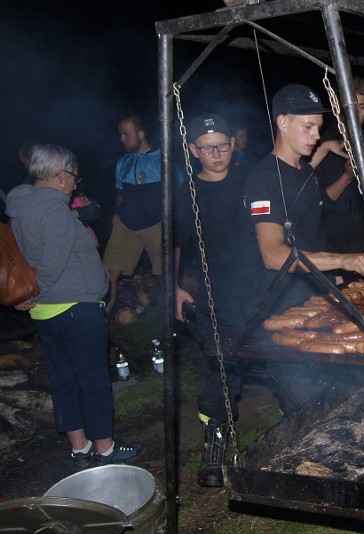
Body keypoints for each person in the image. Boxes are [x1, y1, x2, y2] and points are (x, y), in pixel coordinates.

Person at [5, 144, 143, 468]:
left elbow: (27, 261)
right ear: (58, 174)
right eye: (73, 176)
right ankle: (106, 450)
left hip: (45, 313)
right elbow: (51, 265)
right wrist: (36, 293)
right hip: (73, 308)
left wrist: (29, 297)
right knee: (91, 379)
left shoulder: (20, 208)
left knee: (65, 380)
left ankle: (79, 449)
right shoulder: (53, 208)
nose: (75, 183)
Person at [174, 113, 269, 487]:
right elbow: (175, 246)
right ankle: (215, 444)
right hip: (217, 295)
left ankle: (300, 422)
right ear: (194, 150)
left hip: (262, 287)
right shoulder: (186, 195)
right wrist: (175, 287)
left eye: (223, 145)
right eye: (208, 147)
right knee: (220, 370)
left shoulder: (251, 181)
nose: (217, 154)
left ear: (234, 144)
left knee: (286, 359)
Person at [245, 83, 364, 311]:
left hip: (317, 295)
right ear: (283, 122)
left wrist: (334, 277)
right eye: (308, 127)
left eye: (318, 127)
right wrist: (341, 261)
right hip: (284, 303)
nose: (316, 135)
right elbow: (272, 254)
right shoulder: (263, 178)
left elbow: (314, 229)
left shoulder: (305, 170)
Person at [314, 75, 364, 260]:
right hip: (344, 249)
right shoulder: (324, 145)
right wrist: (347, 177)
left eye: (362, 107)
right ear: (339, 109)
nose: (357, 114)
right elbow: (320, 202)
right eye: (351, 108)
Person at [102, 113, 164, 315]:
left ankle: (169, 317)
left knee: (164, 272)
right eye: (120, 134)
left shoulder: (162, 158)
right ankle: (104, 314)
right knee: (109, 271)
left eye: (126, 134)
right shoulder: (123, 162)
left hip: (156, 224)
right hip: (126, 224)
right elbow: (120, 193)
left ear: (141, 133)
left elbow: (178, 192)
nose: (122, 139)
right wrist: (116, 217)